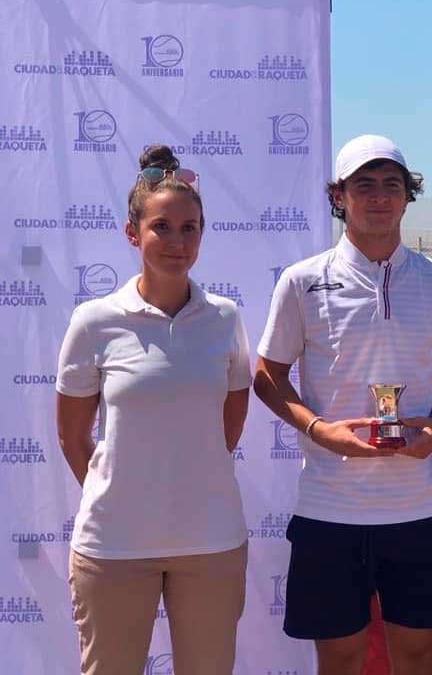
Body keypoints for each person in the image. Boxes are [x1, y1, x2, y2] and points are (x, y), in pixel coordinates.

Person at [254, 134, 432, 675]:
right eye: (364, 186)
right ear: (339, 196)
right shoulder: (302, 281)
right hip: (330, 511)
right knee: (341, 658)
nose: (379, 197)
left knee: (418, 657)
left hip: (419, 511)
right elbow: (267, 376)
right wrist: (319, 429)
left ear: (406, 196)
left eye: (391, 185)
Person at [56, 145, 251, 675]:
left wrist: (191, 474)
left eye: (190, 229)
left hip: (211, 542)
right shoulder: (94, 321)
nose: (176, 242)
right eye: (161, 227)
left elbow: (229, 422)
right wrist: (120, 490)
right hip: (113, 546)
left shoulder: (225, 318)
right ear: (131, 233)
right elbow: (74, 438)